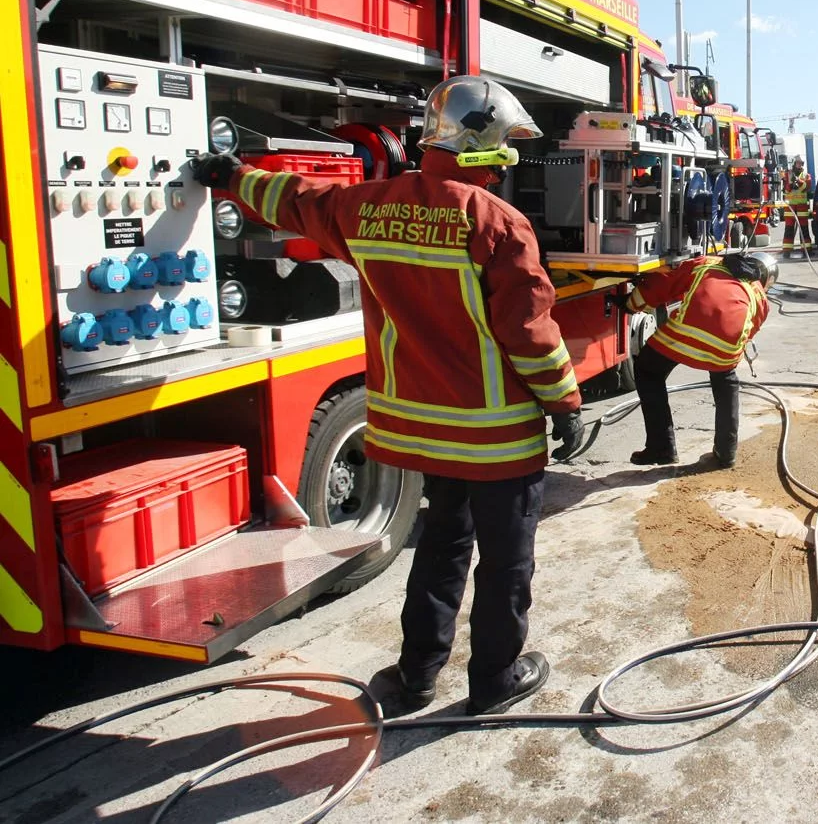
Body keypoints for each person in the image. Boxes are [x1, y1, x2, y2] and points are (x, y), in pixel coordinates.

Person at [191, 76, 583, 716]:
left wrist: (231, 176)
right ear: (479, 144)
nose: (505, 164)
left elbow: (297, 200)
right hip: (497, 438)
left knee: (440, 548)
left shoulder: (365, 207)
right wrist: (565, 404)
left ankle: (415, 677)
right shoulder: (496, 222)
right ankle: (494, 681)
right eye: (503, 148)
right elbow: (530, 333)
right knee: (506, 563)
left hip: (426, 433)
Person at [624, 251, 776, 466]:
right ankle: (726, 453)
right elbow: (749, 332)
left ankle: (661, 448)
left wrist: (631, 303)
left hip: (685, 334)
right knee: (726, 381)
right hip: (725, 348)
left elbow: (664, 284)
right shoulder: (760, 295)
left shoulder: (707, 263)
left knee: (648, 371)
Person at [781, 157, 813, 256]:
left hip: (802, 206)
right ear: (794, 163)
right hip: (790, 206)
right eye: (797, 163)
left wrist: (798, 181)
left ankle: (806, 250)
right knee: (789, 229)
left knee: (804, 229)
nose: (799, 165)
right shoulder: (788, 174)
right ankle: (787, 251)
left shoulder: (806, 175)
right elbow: (786, 190)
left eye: (801, 163)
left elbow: (806, 188)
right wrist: (790, 184)